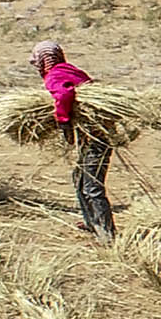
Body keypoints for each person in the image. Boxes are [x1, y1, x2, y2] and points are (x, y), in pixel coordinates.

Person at [36, 44, 115, 238]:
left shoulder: (55, 75)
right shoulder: (70, 70)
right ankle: (91, 222)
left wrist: (62, 120)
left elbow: (64, 95)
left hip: (96, 137)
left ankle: (108, 235)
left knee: (92, 186)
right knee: (79, 179)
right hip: (96, 134)